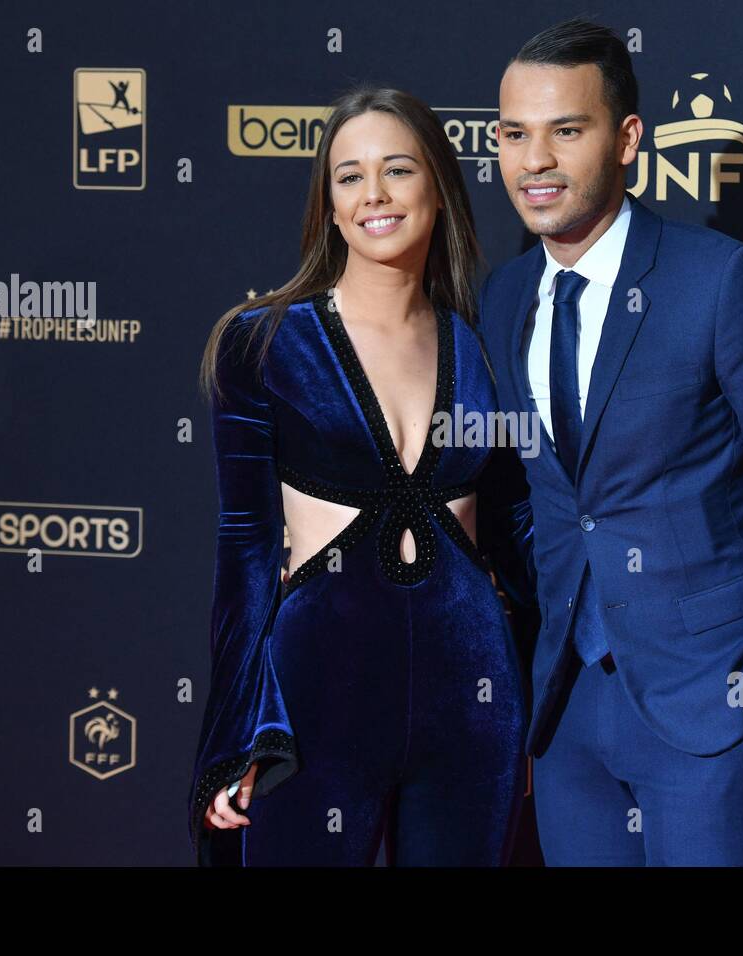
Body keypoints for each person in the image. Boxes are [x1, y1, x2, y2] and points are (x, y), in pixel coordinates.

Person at [478, 18, 743, 865]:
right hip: (568, 713)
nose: (534, 160)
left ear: (627, 139)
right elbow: (534, 495)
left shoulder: (722, 281)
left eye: (565, 131)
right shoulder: (504, 297)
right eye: (514, 134)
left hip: (712, 710)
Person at [187, 87, 534, 867]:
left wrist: (545, 705)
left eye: (397, 169)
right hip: (317, 703)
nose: (373, 194)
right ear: (330, 206)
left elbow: (519, 536)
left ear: (439, 189)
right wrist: (236, 724)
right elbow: (244, 547)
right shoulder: (264, 342)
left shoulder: (485, 348)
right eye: (349, 177)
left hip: (472, 705)